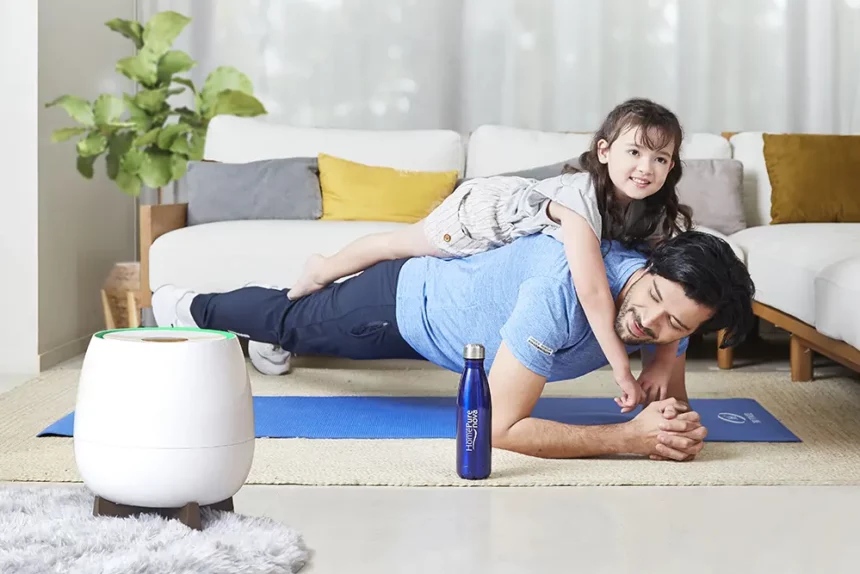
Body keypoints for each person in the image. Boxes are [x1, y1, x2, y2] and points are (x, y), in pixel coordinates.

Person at [152, 230, 755, 461]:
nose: (650, 323)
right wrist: (627, 439)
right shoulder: (564, 295)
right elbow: (495, 429)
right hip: (398, 309)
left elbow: (665, 350)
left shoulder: (656, 309)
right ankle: (188, 305)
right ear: (645, 267)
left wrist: (668, 402)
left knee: (289, 326)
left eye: (676, 325)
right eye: (652, 299)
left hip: (461, 326)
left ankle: (269, 338)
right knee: (286, 318)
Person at [286, 98, 693, 411]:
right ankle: (323, 268)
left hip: (515, 235)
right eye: (635, 153)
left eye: (660, 159)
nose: (646, 168)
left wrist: (660, 363)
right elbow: (591, 289)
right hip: (484, 217)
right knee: (399, 244)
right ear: (604, 152)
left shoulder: (658, 214)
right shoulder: (579, 195)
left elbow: (674, 287)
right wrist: (623, 369)